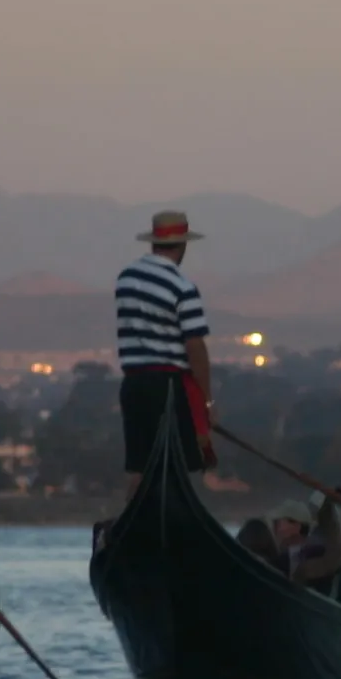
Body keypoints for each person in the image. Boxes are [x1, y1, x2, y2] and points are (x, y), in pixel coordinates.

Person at [116, 210, 215, 502]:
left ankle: (130, 531)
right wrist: (207, 400)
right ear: (182, 245)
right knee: (174, 467)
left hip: (133, 385)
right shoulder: (182, 287)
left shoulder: (126, 279)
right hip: (168, 387)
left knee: (138, 468)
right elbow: (195, 345)